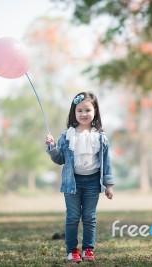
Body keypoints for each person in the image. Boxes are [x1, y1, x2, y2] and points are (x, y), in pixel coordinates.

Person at [45, 91, 114, 262]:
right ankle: (72, 250)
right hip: (72, 182)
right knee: (73, 217)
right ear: (74, 112)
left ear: (95, 112)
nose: (84, 114)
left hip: (92, 182)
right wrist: (53, 148)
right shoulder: (67, 135)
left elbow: (106, 163)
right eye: (80, 110)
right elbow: (60, 159)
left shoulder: (100, 137)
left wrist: (109, 185)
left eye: (88, 110)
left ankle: (88, 249)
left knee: (90, 217)